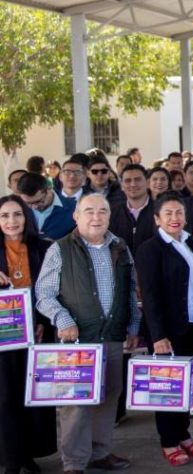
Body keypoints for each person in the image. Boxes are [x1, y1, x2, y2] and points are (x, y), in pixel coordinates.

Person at [35, 193, 141, 473]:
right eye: (89, 211)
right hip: (77, 339)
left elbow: (130, 291)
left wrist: (133, 326)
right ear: (76, 216)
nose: (96, 217)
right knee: (76, 404)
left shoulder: (119, 246)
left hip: (114, 336)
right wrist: (63, 319)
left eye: (102, 211)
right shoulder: (60, 249)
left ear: (109, 215)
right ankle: (74, 462)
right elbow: (43, 294)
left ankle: (100, 453)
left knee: (108, 396)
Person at [135, 192, 193, 466]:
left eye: (179, 213)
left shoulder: (191, 243)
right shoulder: (150, 249)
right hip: (166, 331)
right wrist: (159, 336)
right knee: (167, 387)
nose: (175, 218)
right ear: (156, 219)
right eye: (168, 214)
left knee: (186, 385)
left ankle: (183, 434)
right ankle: (169, 441)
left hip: (191, 324)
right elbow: (150, 296)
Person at [0, 196, 56, 474]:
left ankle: (29, 454)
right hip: (3, 338)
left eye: (17, 215)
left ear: (27, 217)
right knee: (5, 398)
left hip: (36, 334)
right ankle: (10, 458)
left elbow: (53, 290)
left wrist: (45, 322)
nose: (12, 222)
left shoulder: (43, 247)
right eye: (5, 216)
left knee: (32, 396)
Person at [108, 164, 155, 254]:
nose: (133, 184)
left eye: (138, 180)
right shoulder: (112, 213)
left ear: (148, 183)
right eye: (127, 181)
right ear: (121, 185)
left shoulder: (160, 211)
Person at [17, 173, 76, 240]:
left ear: (49, 189)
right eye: (28, 203)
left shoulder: (74, 209)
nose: (34, 207)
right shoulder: (16, 209)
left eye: (38, 201)